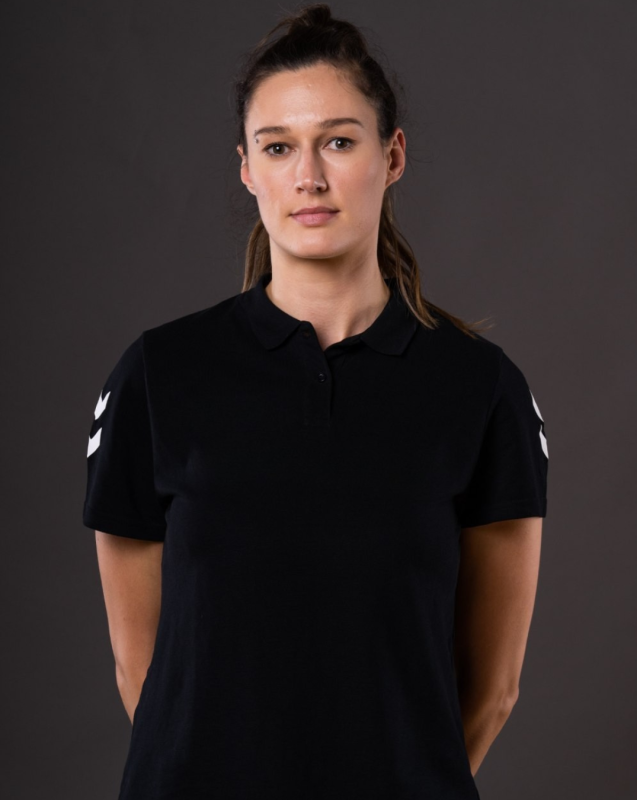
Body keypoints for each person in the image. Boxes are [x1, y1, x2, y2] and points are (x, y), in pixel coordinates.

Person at [83, 4, 549, 798]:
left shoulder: (481, 388)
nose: (309, 176)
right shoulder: (158, 376)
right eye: (278, 147)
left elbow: (493, 688)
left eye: (338, 141)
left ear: (392, 155)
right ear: (247, 169)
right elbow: (144, 675)